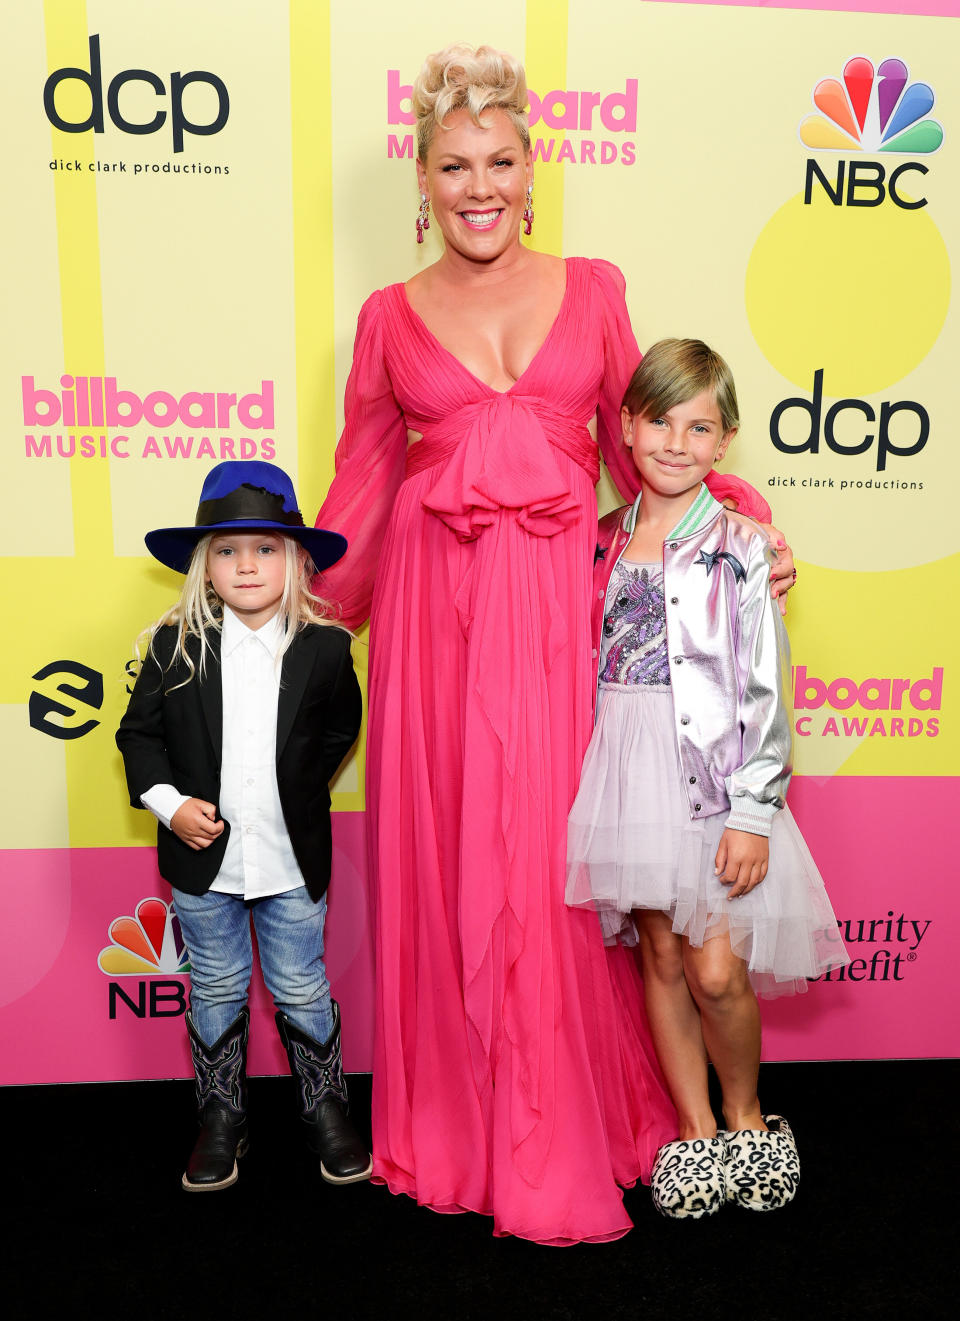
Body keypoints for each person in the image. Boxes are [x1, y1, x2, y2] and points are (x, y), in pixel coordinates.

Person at [313, 44, 795, 1243]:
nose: (479, 186)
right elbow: (363, 483)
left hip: (564, 622)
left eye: (501, 162)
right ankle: (468, 1128)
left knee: (555, 872)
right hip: (436, 625)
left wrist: (749, 533)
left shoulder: (593, 286)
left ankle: (584, 1117)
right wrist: (295, 605)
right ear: (419, 182)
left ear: (535, 172)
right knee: (457, 857)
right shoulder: (385, 318)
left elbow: (645, 458)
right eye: (452, 166)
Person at [566, 340, 849, 1219]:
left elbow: (764, 686)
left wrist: (753, 810)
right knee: (657, 950)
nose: (676, 442)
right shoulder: (599, 538)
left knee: (716, 968)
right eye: (659, 420)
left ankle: (745, 1115)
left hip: (710, 778)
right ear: (627, 427)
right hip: (622, 764)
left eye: (699, 426)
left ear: (725, 440)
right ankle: (692, 1131)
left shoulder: (740, 547)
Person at [116, 460, 371, 1192]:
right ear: (204, 566)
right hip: (204, 865)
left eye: (264, 548)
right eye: (227, 550)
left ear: (296, 560)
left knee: (300, 983)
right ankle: (222, 1116)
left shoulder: (326, 648)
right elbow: (138, 738)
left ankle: (326, 1109)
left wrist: (290, 798)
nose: (246, 564)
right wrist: (170, 803)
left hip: (292, 861)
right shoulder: (175, 645)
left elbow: (335, 735)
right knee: (218, 985)